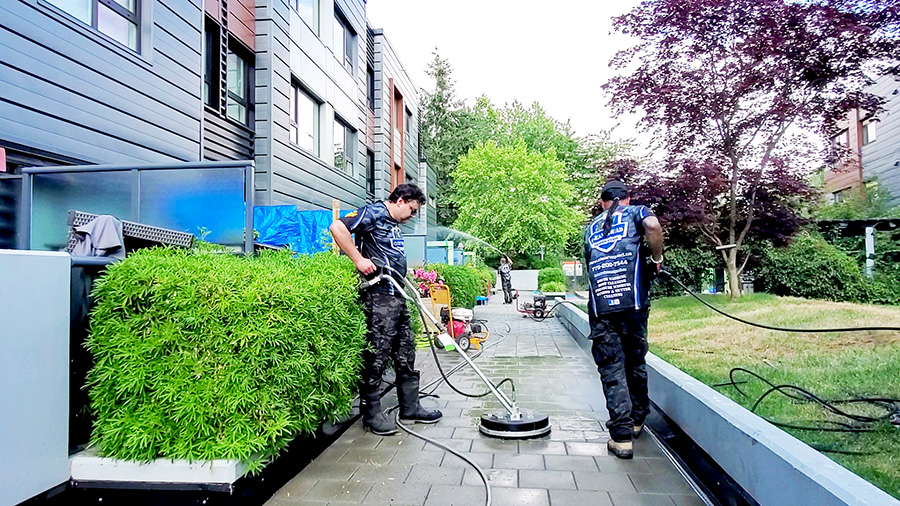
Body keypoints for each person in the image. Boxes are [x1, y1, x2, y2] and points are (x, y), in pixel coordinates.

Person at [329, 183, 443, 436]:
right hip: (380, 298)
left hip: (397, 296)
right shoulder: (374, 213)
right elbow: (337, 227)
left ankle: (410, 407)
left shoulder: (393, 224)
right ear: (400, 200)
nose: (412, 216)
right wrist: (359, 259)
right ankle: (371, 415)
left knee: (406, 349)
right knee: (377, 355)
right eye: (412, 210)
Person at [584, 180, 663, 459]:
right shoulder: (637, 212)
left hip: (602, 307)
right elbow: (653, 227)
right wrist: (656, 258)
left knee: (611, 367)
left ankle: (621, 438)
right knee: (635, 360)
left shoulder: (591, 227)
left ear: (603, 202)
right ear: (627, 199)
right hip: (634, 304)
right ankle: (637, 420)